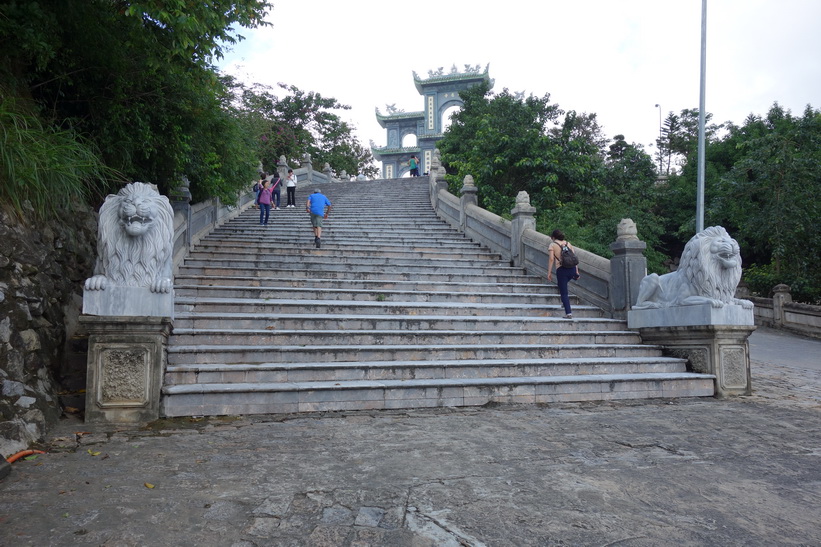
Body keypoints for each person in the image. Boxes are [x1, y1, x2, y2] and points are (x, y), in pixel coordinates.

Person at [547, 229, 581, 319]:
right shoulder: (568, 243)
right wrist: (576, 271)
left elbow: (551, 259)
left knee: (564, 293)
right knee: (561, 285)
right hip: (572, 269)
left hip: (562, 270)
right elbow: (574, 258)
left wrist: (549, 273)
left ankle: (568, 313)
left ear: (553, 237)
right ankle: (575, 276)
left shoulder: (553, 245)